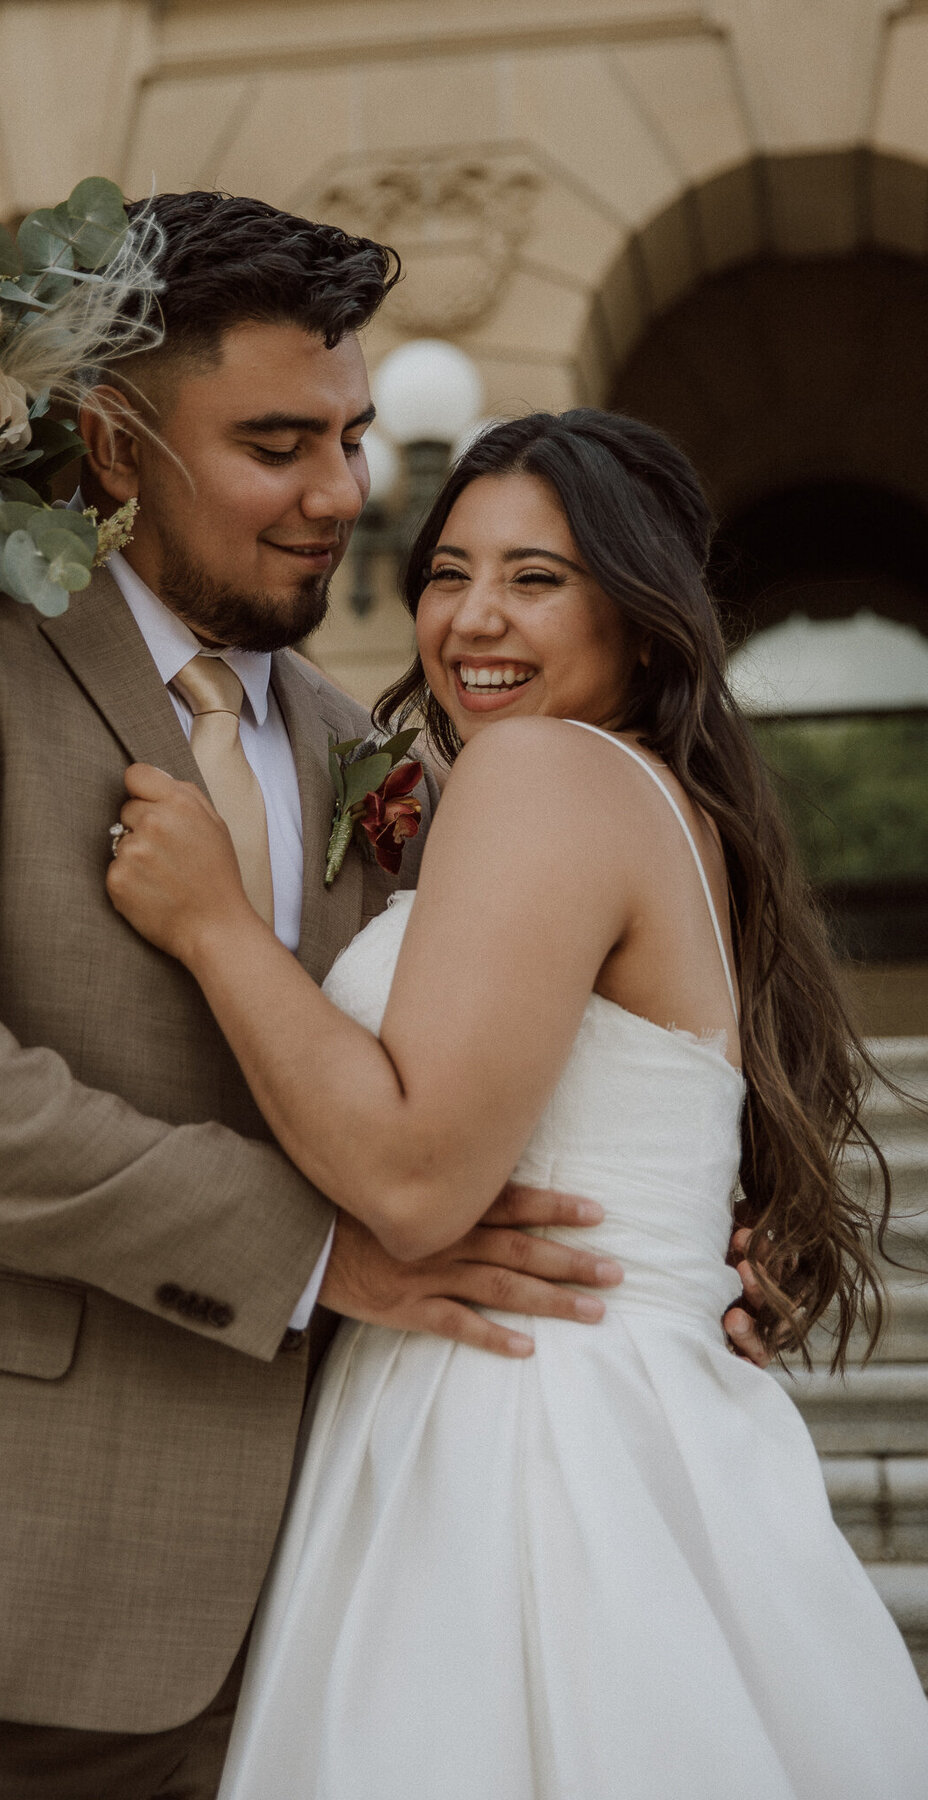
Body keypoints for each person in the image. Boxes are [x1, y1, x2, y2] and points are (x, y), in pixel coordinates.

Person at [0, 197, 639, 1800]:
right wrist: (305, 1249)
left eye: (356, 437)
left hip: (307, 1632)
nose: (345, 495)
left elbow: (438, 1062)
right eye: (279, 444)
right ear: (110, 443)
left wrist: (674, 1258)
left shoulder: (349, 730)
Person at [106, 408, 928, 1798]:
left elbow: (420, 1182)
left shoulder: (541, 773)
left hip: (519, 1453)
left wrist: (215, 927)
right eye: (447, 570)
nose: (473, 617)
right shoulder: (651, 800)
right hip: (610, 1418)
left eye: (538, 579)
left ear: (647, 617)